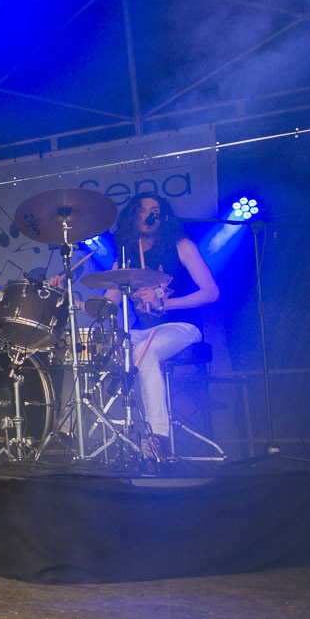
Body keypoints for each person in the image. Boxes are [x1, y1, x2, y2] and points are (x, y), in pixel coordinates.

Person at [100, 194, 218, 458]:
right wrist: (68, 299)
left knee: (144, 351)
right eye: (142, 210)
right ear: (132, 216)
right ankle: (70, 433)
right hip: (144, 330)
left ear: (163, 217)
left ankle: (155, 436)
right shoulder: (125, 259)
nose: (149, 214)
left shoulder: (181, 246)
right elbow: (105, 305)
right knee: (99, 347)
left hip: (183, 326)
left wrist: (164, 304)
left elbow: (211, 293)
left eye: (155, 210)